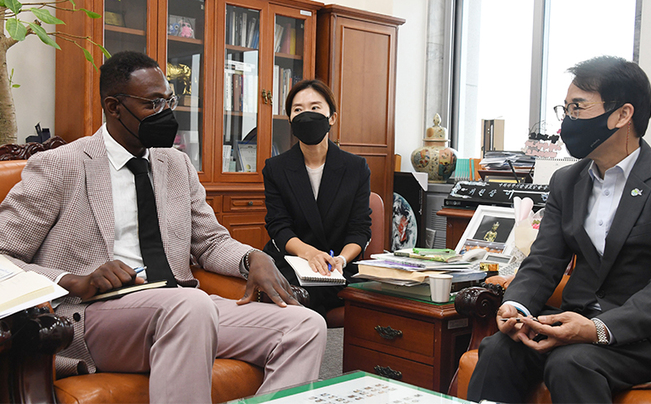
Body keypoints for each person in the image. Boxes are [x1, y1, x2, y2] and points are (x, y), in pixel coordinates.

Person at [0, 51, 326, 403]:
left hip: (183, 309)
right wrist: (74, 280)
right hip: (96, 314)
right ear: (114, 107)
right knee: (190, 305)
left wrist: (251, 258)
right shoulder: (60, 166)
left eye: (168, 101)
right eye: (152, 104)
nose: (166, 113)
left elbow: (210, 242)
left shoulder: (176, 164)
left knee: (305, 325)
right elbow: (3, 257)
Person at [467, 56, 651, 403]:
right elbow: (544, 261)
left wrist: (597, 329)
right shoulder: (567, 181)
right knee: (499, 349)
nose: (567, 121)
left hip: (647, 335)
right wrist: (517, 306)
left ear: (623, 115)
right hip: (573, 320)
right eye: (564, 109)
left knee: (572, 363)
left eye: (577, 108)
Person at [262, 79, 372, 320]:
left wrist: (340, 259)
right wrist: (310, 254)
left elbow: (360, 229)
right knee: (293, 289)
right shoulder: (275, 168)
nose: (306, 115)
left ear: (332, 117)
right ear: (290, 119)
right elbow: (279, 227)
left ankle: (308, 335)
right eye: (298, 109)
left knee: (320, 290)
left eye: (315, 107)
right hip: (292, 261)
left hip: (338, 264)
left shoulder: (356, 168)